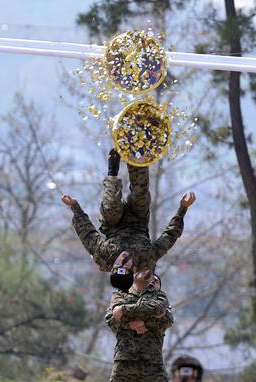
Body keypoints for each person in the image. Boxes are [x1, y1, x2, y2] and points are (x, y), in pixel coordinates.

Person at [62, 154, 194, 273]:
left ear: (113, 267)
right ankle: (137, 159)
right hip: (138, 221)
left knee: (111, 209)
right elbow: (169, 236)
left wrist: (74, 206)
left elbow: (88, 235)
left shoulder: (103, 258)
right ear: (134, 269)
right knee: (141, 197)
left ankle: (113, 169)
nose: (124, 258)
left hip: (113, 225)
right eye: (127, 264)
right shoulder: (146, 260)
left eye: (119, 263)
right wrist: (183, 208)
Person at [105, 269, 173, 381]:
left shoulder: (160, 298)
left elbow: (166, 320)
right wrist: (130, 325)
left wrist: (126, 312)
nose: (152, 283)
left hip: (152, 360)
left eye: (156, 281)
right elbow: (110, 319)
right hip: (125, 359)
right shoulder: (121, 294)